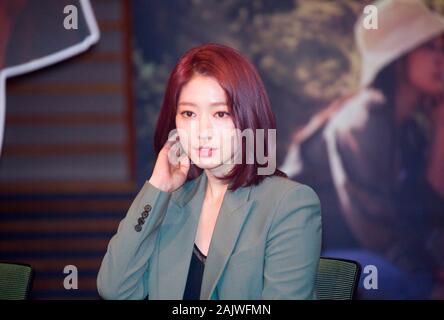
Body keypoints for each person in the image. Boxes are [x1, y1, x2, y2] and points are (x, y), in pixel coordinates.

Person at [97, 43, 322, 300]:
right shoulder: (170, 202)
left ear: (248, 117)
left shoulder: (289, 203)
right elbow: (115, 289)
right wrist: (157, 188)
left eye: (220, 113)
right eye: (189, 113)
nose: (202, 131)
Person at [280, 0, 444, 299]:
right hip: (301, 266)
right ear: (399, 57)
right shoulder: (362, 120)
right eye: (428, 47)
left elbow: (426, 211)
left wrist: (440, 130)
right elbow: (376, 230)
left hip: (354, 261)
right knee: (400, 282)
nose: (441, 59)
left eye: (442, 47)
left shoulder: (408, 130)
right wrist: (430, 275)